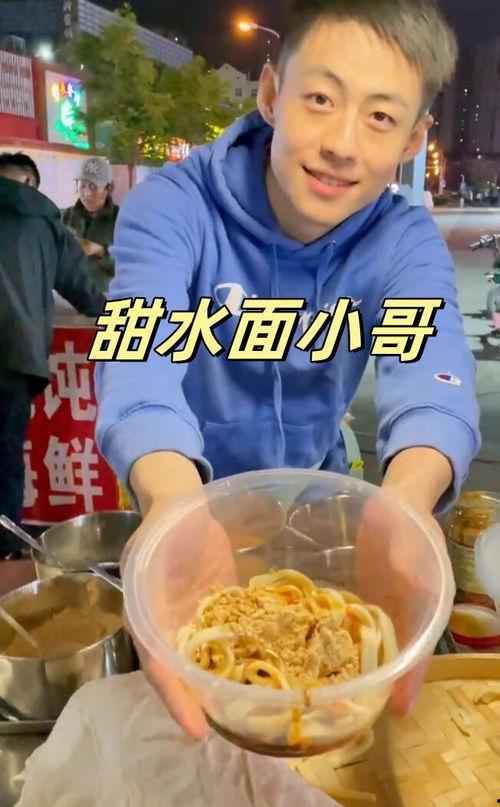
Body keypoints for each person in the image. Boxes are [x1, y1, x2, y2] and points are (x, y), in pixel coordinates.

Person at [95, 0, 481, 738]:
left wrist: (404, 508)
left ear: (413, 137)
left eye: (379, 117)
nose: (341, 145)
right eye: (321, 99)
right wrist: (175, 508)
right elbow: (135, 357)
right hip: (184, 497)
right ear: (271, 93)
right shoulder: (173, 206)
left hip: (316, 493)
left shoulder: (403, 240)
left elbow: (433, 378)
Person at [0, 152, 105, 558]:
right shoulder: (44, 220)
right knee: (6, 458)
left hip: (14, 354)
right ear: (30, 183)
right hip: (14, 355)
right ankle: (5, 553)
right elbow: (81, 289)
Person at [62, 156, 119, 293]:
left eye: (94, 187)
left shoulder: (121, 220)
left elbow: (131, 266)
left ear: (108, 188)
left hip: (105, 297)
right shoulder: (65, 217)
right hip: (69, 297)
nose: (87, 193)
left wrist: (101, 252)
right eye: (82, 186)